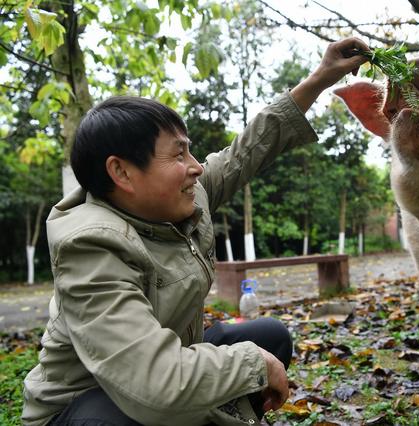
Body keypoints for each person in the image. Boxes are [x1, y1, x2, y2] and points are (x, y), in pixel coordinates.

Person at [22, 37, 369, 426]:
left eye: (190, 151)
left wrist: (321, 78)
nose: (196, 166)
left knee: (270, 336)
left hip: (166, 368)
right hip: (86, 401)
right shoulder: (90, 247)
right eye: (178, 153)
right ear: (121, 172)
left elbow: (247, 150)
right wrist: (252, 365)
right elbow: (153, 380)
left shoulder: (183, 199)